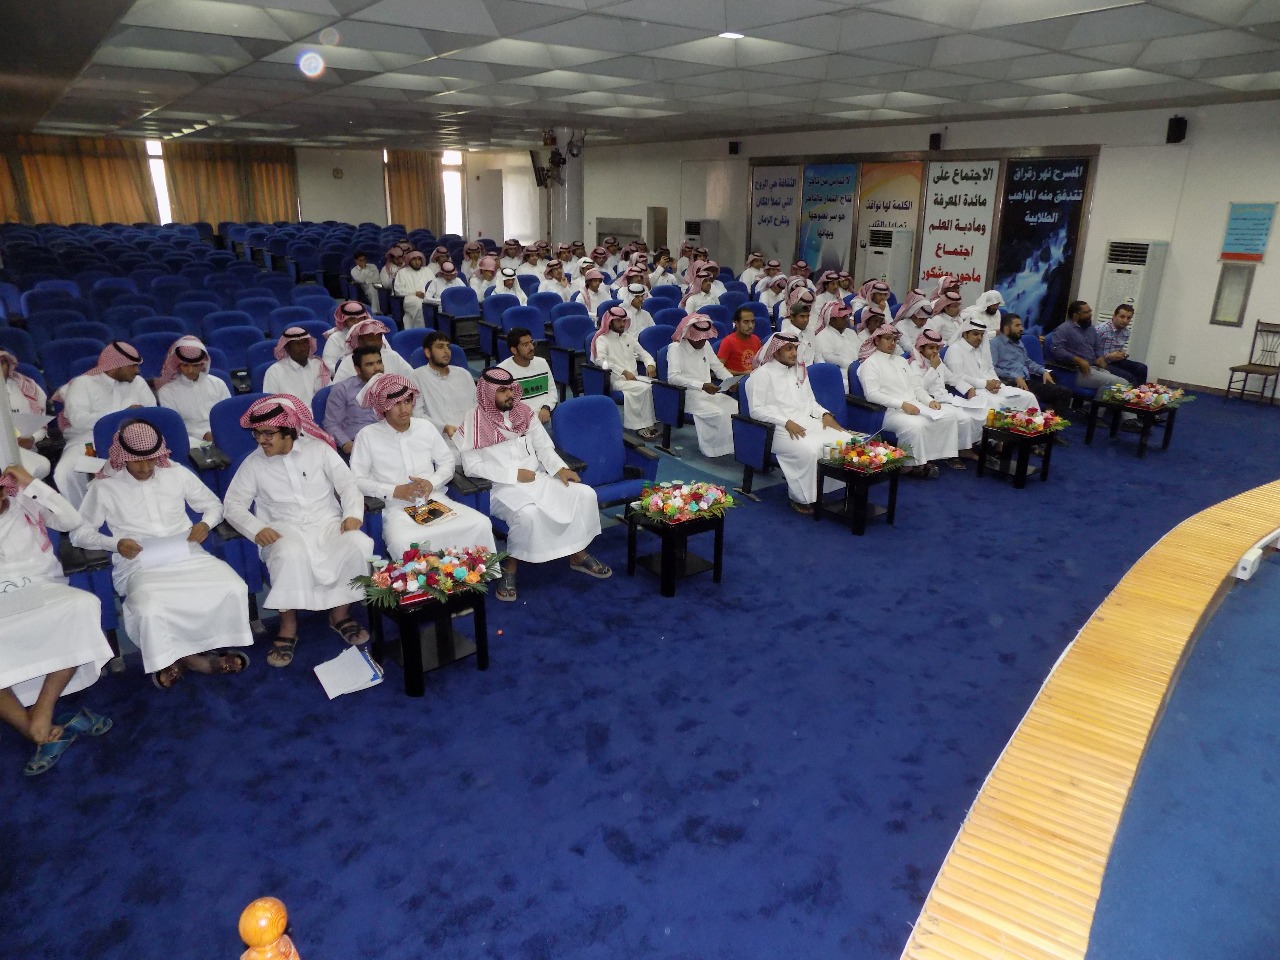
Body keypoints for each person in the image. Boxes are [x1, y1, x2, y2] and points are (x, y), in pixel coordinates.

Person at [72, 420, 253, 689]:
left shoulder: (176, 473)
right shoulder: (105, 486)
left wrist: (205, 524)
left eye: (151, 460)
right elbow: (79, 533)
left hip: (187, 554)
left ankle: (188, 655)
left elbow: (213, 505)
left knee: (233, 588)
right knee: (150, 607)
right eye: (138, 462)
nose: (146, 468)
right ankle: (190, 660)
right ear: (124, 457)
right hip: (139, 564)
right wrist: (114, 544)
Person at [223, 395, 374, 668]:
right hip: (284, 529)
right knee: (289, 554)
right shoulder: (254, 464)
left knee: (358, 544)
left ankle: (340, 615)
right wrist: (257, 529)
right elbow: (233, 505)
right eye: (257, 433)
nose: (260, 440)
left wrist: (352, 514)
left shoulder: (319, 450)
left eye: (268, 433)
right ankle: (288, 627)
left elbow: (348, 485)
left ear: (288, 432)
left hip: (327, 524)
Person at [455, 367, 610, 601]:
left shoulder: (524, 413)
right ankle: (511, 565)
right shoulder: (474, 421)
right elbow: (471, 467)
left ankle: (577, 553)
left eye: (511, 389)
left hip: (538, 479)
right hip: (501, 488)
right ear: (487, 393)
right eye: (502, 391)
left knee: (585, 495)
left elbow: (544, 448)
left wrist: (560, 469)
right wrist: (514, 474)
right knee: (528, 514)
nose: (510, 394)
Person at [0, 463, 114, 777]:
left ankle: (42, 713)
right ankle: (36, 729)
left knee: (82, 606)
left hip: (41, 590)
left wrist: (31, 483)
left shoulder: (26, 501)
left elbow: (71, 520)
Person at [350, 374, 495, 560]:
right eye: (396, 403)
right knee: (403, 541)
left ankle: (472, 576)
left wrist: (431, 483)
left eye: (407, 401)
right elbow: (357, 480)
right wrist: (394, 491)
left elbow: (447, 462)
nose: (404, 409)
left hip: (434, 499)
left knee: (480, 524)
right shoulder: (367, 436)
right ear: (384, 406)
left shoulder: (425, 427)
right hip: (395, 508)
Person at [746, 332, 851, 513]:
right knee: (810, 451)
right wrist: (785, 422)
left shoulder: (800, 371)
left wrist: (824, 414)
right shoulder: (761, 375)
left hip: (805, 422)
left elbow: (810, 402)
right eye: (788, 349)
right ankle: (801, 498)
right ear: (776, 351)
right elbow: (756, 411)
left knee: (845, 440)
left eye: (795, 348)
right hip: (777, 429)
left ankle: (827, 488)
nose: (794, 353)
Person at [54, 340, 156, 508]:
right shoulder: (83, 384)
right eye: (132, 366)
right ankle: (81, 517)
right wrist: (123, 414)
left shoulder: (138, 383)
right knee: (64, 473)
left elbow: (152, 414)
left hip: (133, 439)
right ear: (116, 366)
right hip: (87, 439)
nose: (137, 371)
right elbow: (78, 420)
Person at [858, 327, 960, 479]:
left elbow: (916, 386)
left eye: (894, 340)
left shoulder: (901, 361)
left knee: (947, 416)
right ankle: (908, 466)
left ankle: (928, 458)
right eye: (888, 339)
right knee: (915, 426)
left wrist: (929, 401)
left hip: (913, 404)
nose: (892, 343)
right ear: (877, 340)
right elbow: (872, 395)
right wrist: (902, 404)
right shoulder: (869, 364)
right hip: (888, 411)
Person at [665, 314, 737, 458]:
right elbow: (673, 378)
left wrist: (730, 380)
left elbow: (718, 367)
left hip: (709, 393)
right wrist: (701, 385)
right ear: (689, 335)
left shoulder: (706, 345)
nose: (704, 341)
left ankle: (730, 447)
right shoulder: (675, 348)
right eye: (700, 338)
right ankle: (713, 449)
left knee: (734, 406)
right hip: (687, 395)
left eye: (706, 338)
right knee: (718, 413)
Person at [909, 329, 984, 464]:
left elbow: (952, 378)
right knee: (963, 419)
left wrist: (969, 388)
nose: (935, 351)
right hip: (929, 402)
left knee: (976, 412)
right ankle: (953, 454)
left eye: (937, 348)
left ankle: (966, 448)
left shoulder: (938, 362)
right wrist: (933, 368)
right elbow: (919, 388)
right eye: (931, 348)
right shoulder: (915, 364)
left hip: (945, 398)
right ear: (921, 348)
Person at [1048, 301, 1134, 410]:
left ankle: (1093, 412)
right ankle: (1097, 413)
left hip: (1092, 367)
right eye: (1086, 312)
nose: (1090, 314)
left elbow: (1097, 347)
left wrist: (1100, 358)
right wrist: (1079, 360)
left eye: (1090, 311)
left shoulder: (1090, 328)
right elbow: (1057, 351)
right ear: (1075, 314)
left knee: (1112, 384)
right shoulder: (1064, 329)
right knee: (1122, 383)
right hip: (1073, 371)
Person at [590, 305, 659, 439]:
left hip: (635, 378)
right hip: (616, 380)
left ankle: (650, 422)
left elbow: (643, 353)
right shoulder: (602, 339)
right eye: (618, 321)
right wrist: (623, 372)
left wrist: (650, 364)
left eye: (624, 321)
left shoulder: (628, 337)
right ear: (610, 322)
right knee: (644, 388)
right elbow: (600, 361)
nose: (622, 324)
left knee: (656, 385)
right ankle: (640, 426)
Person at [944, 317, 1038, 412]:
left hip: (991, 389)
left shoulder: (981, 348)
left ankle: (1031, 421)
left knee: (1028, 397)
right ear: (965, 334)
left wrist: (996, 383)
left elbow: (989, 368)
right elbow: (958, 377)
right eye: (975, 334)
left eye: (982, 335)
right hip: (974, 390)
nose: (979, 338)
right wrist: (985, 384)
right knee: (997, 404)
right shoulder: (955, 350)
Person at [990, 313, 1074, 415]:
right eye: (1017, 325)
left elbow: (1028, 362)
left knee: (1064, 393)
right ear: (1006, 328)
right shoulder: (995, 344)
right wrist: (1014, 376)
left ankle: (1052, 423)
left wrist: (1043, 371)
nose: (1021, 329)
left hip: (1027, 382)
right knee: (1033, 399)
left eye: (1021, 325)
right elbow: (992, 368)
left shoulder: (1018, 342)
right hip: (1009, 383)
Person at [156, 335, 231, 447]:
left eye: (195, 365)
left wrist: (218, 434)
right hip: (190, 439)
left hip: (222, 434)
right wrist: (203, 434)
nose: (190, 370)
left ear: (202, 364)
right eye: (185, 365)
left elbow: (227, 415)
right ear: (178, 365)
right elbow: (175, 425)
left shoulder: (218, 384)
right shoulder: (167, 392)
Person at [411, 331, 475, 439]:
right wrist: (443, 428)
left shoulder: (464, 374)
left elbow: (476, 405)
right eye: (440, 347)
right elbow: (416, 414)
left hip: (471, 436)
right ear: (428, 352)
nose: (446, 351)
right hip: (438, 438)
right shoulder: (417, 377)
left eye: (448, 347)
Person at [2, 348, 51, 479]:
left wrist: (33, 438)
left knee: (42, 466)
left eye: (2, 363)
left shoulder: (28, 386)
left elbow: (40, 424)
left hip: (22, 449)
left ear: (9, 364)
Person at [325, 345, 383, 455]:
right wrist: (346, 444)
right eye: (370, 364)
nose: (377, 368)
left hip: (387, 441)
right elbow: (331, 424)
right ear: (358, 369)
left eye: (379, 362)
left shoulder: (391, 386)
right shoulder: (342, 389)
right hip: (358, 445)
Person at [498, 327, 557, 424]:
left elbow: (552, 391)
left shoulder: (542, 363)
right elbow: (503, 404)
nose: (531, 347)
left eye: (531, 342)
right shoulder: (502, 371)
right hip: (521, 422)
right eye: (525, 345)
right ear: (514, 350)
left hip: (545, 416)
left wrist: (546, 407)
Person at [263, 326, 331, 404]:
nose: (303, 348)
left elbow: (330, 393)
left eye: (305, 343)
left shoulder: (319, 366)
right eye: (297, 344)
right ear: (287, 348)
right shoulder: (274, 371)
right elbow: (270, 404)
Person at [332, 317, 413, 382]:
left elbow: (411, 379)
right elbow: (338, 390)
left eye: (379, 338)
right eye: (371, 339)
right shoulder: (348, 362)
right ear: (360, 341)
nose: (376, 342)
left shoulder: (392, 356)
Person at [1095, 303, 1148, 385]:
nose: (1125, 321)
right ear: (1114, 316)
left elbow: (1117, 349)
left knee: (1142, 368)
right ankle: (1131, 392)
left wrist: (1122, 354)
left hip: (1116, 361)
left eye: (1128, 318)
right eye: (1122, 317)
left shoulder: (1126, 332)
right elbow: (1089, 350)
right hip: (1101, 363)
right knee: (1129, 378)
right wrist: (1107, 356)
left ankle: (1140, 391)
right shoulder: (1101, 329)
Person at [322, 300, 371, 374]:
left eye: (360, 319)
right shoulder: (336, 338)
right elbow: (328, 366)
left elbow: (386, 356)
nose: (356, 323)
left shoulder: (374, 335)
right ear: (345, 321)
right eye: (352, 319)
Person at [813, 301, 860, 373]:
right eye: (843, 317)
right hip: (843, 373)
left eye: (847, 317)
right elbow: (828, 358)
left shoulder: (851, 332)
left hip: (860, 369)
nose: (847, 320)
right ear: (832, 320)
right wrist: (851, 365)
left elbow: (861, 351)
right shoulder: (822, 336)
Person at [393, 249, 433, 329]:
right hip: (409, 298)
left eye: (419, 259)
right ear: (409, 260)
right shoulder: (402, 272)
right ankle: (420, 331)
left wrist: (426, 295)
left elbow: (434, 286)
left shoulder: (427, 270)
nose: (417, 262)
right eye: (414, 259)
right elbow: (398, 290)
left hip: (427, 297)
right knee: (420, 306)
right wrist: (414, 293)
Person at [717, 306, 762, 375]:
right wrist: (742, 373)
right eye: (746, 322)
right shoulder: (728, 341)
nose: (751, 326)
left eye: (752, 322)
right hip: (736, 379)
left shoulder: (756, 339)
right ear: (737, 323)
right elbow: (718, 369)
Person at [779, 296, 818, 365]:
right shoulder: (785, 336)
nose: (806, 320)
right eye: (802, 316)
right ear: (792, 317)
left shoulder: (810, 332)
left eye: (807, 316)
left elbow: (816, 354)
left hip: (812, 368)